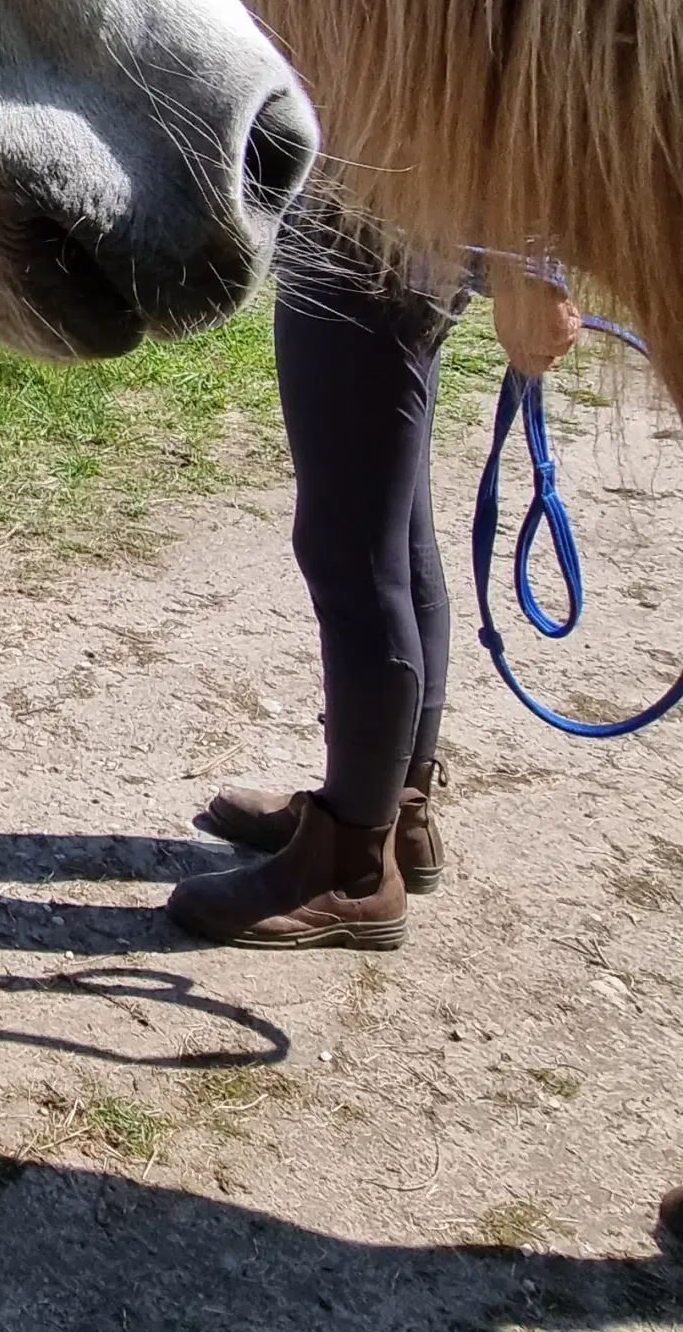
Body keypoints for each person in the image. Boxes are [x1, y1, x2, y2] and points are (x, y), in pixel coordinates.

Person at [168, 199, 583, 949]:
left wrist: (531, 270)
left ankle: (351, 866)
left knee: (349, 547)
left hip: (371, 228)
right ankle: (392, 805)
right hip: (388, 224)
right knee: (393, 532)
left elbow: (503, 86)